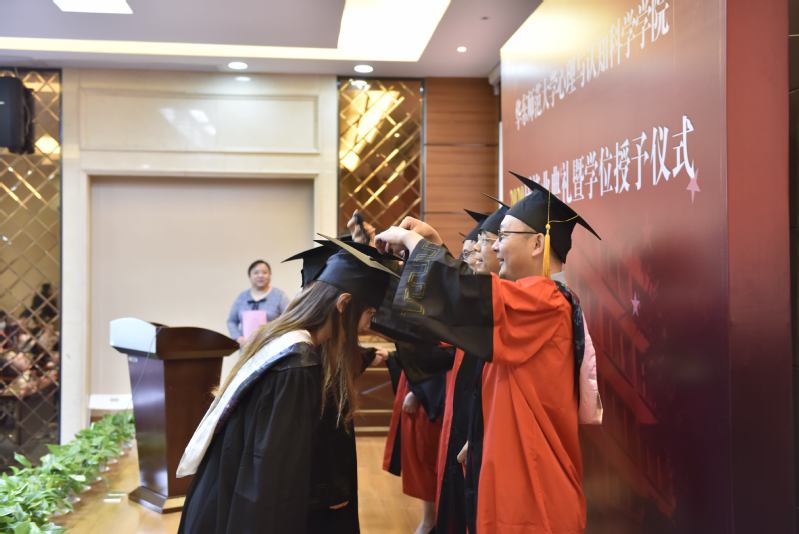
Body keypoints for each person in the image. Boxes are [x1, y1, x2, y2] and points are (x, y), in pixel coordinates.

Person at [375, 172, 600, 534]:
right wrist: (430, 245)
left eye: (504, 237)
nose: (493, 248)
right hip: (514, 471)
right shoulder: (537, 299)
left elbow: (471, 299)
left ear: (537, 244)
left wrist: (413, 242)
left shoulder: (546, 301)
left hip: (533, 490)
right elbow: (468, 303)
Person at [177, 237, 397, 534]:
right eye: (370, 313)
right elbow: (276, 476)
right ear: (344, 303)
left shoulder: (286, 342)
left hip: (226, 496)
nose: (370, 324)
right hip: (250, 508)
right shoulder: (296, 368)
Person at [227, 260, 290, 346]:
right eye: (256, 273)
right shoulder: (242, 297)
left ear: (270, 275)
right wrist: (238, 338)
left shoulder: (280, 296)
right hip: (247, 348)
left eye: (264, 272)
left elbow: (289, 319)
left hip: (272, 346)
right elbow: (231, 321)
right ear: (250, 276)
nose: (260, 275)